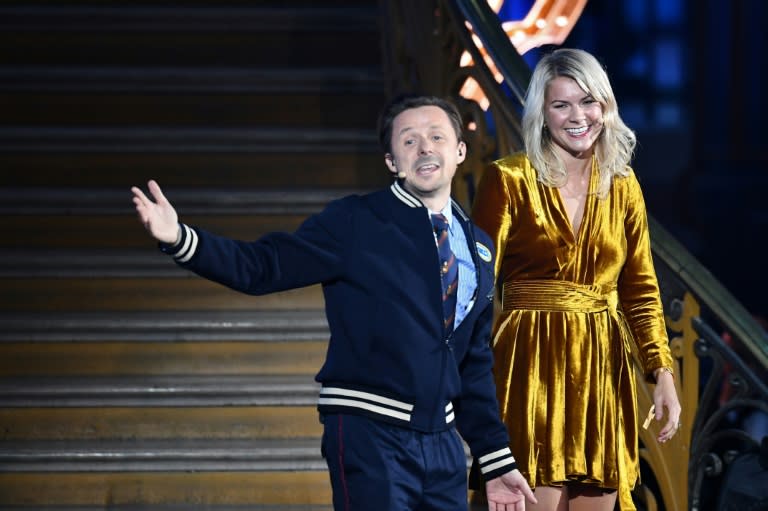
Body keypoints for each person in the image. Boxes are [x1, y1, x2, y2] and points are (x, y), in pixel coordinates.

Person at [131, 94, 537, 511]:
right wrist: (180, 239)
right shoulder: (356, 222)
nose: (425, 147)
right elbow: (264, 267)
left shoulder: (479, 247)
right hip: (370, 432)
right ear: (391, 161)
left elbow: (472, 364)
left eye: (436, 136)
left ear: (460, 151)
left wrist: (494, 458)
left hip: (443, 446)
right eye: (409, 140)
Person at [470, 48, 682, 511]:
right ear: (541, 114)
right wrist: (463, 378)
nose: (578, 116)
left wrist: (661, 372)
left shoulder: (623, 185)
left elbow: (641, 290)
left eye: (588, 102)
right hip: (528, 368)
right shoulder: (508, 180)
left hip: (601, 369)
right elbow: (476, 285)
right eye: (561, 104)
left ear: (605, 107)